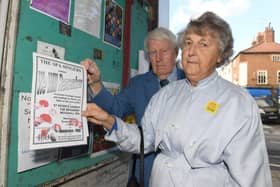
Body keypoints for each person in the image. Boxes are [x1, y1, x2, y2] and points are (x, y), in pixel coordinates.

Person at [82, 11, 272, 187]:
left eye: (203, 44)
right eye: (188, 43)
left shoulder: (239, 104)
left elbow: (252, 177)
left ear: (220, 55)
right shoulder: (165, 94)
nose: (191, 51)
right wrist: (109, 121)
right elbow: (144, 138)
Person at [81, 27, 185, 187]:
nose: (158, 58)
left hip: (184, 176)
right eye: (152, 53)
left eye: (164, 51)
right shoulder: (138, 84)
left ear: (176, 52)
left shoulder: (191, 82)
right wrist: (95, 83)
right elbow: (115, 108)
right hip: (146, 173)